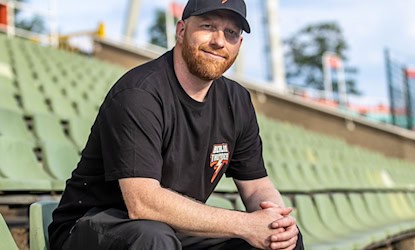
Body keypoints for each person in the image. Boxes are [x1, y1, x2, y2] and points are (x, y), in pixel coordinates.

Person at [49, 0, 304, 249]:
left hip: (171, 228)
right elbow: (142, 203)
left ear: (239, 43)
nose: (218, 40)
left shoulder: (237, 100)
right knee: (153, 236)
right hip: (93, 225)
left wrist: (276, 222)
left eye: (231, 33)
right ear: (181, 31)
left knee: (281, 241)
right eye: (207, 26)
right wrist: (246, 224)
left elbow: (257, 185)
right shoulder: (140, 93)